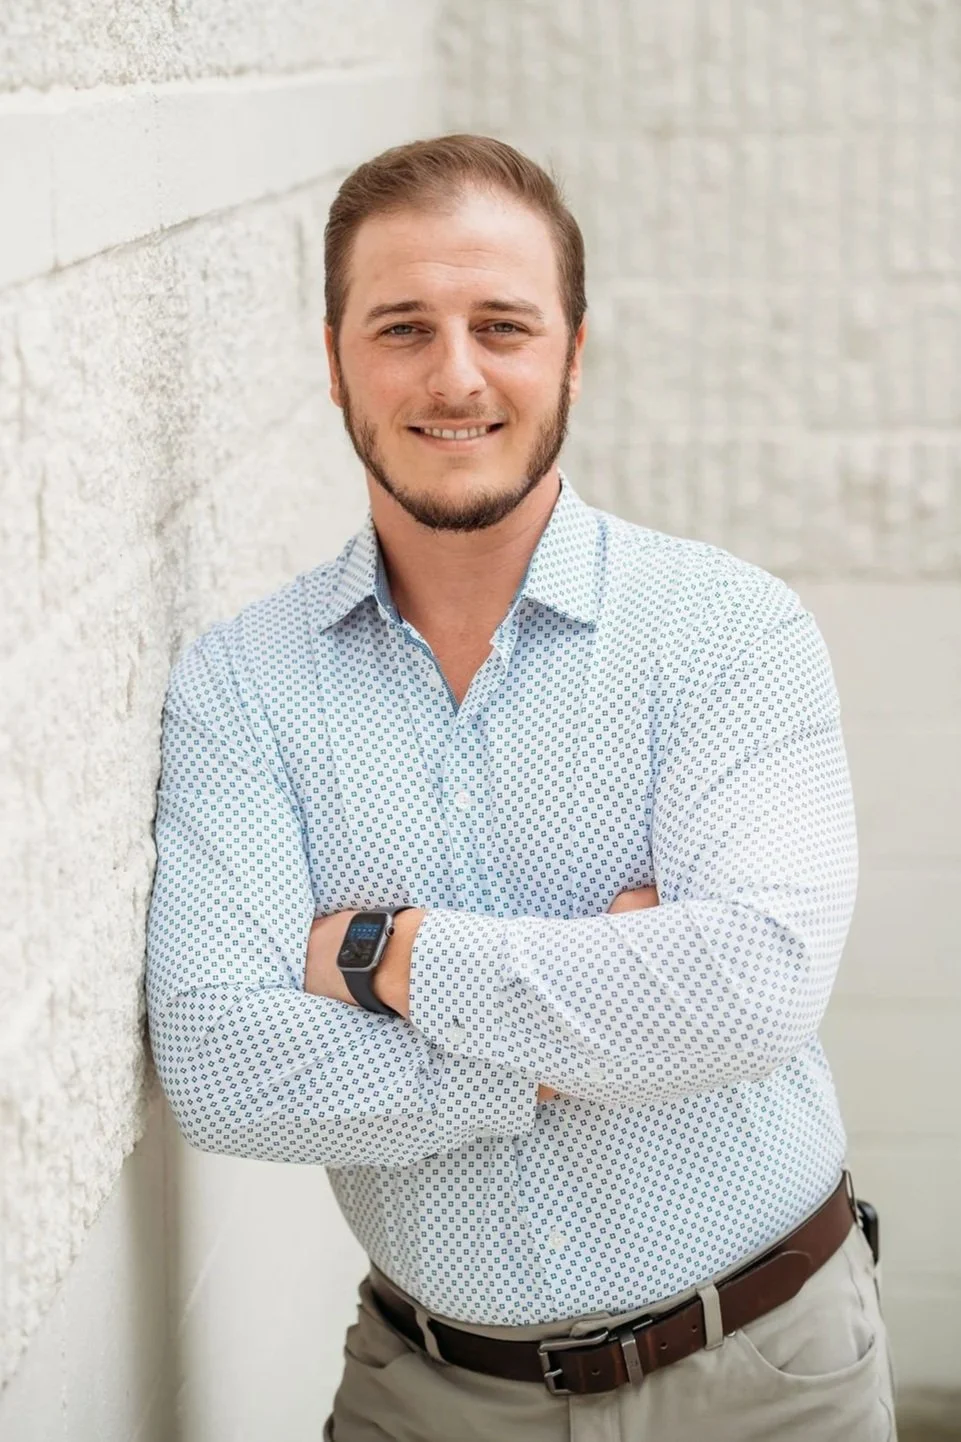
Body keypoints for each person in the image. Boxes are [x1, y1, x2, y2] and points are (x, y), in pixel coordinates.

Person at [145, 134, 897, 1442]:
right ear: (334, 359)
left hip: (770, 1378)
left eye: (503, 323)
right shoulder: (243, 685)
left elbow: (757, 981)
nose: (456, 374)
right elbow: (217, 1062)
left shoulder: (727, 630)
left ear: (572, 353)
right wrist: (564, 1049)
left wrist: (387, 955)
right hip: (433, 1398)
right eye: (402, 327)